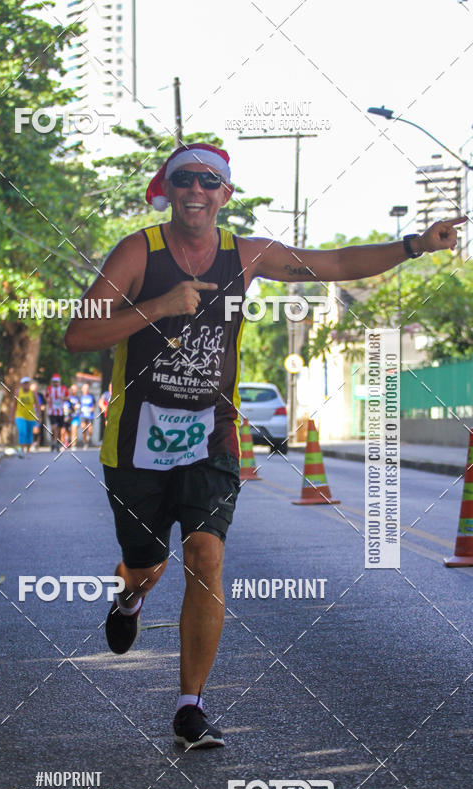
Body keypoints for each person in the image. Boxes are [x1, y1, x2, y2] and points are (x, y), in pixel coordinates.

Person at [65, 141, 464, 749]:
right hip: (137, 440)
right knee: (146, 567)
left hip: (212, 434)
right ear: (168, 190)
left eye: (209, 182)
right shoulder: (137, 253)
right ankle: (130, 600)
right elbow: (79, 333)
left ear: (225, 194)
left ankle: (191, 706)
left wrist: (415, 245)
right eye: (184, 180)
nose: (196, 191)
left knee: (205, 556)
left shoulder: (246, 255)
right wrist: (158, 307)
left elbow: (333, 263)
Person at [14, 376, 39, 457]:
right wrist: (12, 416)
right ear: (22, 384)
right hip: (20, 415)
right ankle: (22, 450)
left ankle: (28, 450)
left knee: (29, 433)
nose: (26, 385)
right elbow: (14, 404)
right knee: (22, 431)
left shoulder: (33, 393)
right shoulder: (18, 392)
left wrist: (39, 416)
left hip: (31, 416)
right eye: (24, 383)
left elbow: (37, 405)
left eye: (27, 383)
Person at [46, 373, 69, 451]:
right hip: (52, 412)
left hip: (61, 412)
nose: (55, 383)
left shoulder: (63, 388)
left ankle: (57, 442)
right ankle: (54, 441)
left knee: (60, 429)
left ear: (59, 382)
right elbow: (46, 397)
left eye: (57, 382)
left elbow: (68, 397)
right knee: (54, 427)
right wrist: (48, 399)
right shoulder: (49, 389)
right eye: (54, 382)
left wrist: (63, 398)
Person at [79, 382, 95, 449]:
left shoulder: (91, 396)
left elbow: (94, 405)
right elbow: (77, 405)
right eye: (85, 388)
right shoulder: (80, 397)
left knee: (90, 430)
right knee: (83, 428)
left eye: (87, 388)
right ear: (82, 389)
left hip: (90, 415)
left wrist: (92, 409)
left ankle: (89, 438)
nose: (86, 389)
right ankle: (85, 442)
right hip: (83, 415)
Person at [31, 381, 45, 450]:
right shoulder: (28, 395)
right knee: (31, 429)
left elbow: (43, 406)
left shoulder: (40, 395)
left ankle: (37, 443)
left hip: (37, 414)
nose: (34, 391)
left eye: (35, 389)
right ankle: (31, 443)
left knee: (37, 429)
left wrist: (40, 409)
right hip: (29, 414)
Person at [68, 383, 81, 448]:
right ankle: (67, 443)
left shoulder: (78, 398)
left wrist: (77, 407)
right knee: (67, 431)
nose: (73, 390)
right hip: (68, 416)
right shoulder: (67, 397)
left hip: (75, 416)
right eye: (72, 389)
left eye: (75, 389)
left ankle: (73, 445)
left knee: (74, 430)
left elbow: (79, 407)